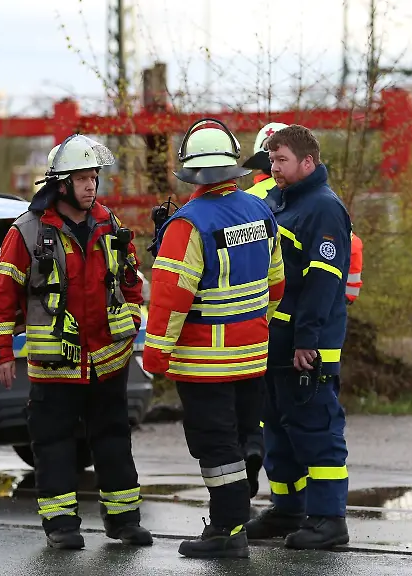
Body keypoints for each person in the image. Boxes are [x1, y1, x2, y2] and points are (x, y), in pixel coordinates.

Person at [0, 134, 152, 550]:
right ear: (60, 183)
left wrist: (131, 320)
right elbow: (3, 295)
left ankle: (124, 520)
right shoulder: (25, 232)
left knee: (114, 440)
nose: (91, 186)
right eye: (82, 178)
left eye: (94, 177)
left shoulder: (108, 223)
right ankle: (61, 526)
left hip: (108, 359)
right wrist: (1, 352)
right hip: (55, 363)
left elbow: (131, 281)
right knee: (54, 445)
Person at [143, 118, 285, 559]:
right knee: (241, 436)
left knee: (216, 445)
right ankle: (237, 505)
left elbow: (170, 297)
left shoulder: (187, 224)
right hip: (252, 354)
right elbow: (276, 284)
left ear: (191, 171)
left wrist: (156, 354)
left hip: (204, 363)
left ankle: (226, 530)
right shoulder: (260, 212)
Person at [240, 121, 364, 498]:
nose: (273, 167)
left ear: (308, 163)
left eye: (281, 160)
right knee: (278, 427)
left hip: (308, 347)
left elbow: (322, 285)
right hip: (280, 342)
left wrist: (305, 340)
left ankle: (327, 518)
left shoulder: (322, 208)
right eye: (272, 160)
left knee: (315, 430)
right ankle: (287, 508)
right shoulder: (283, 201)